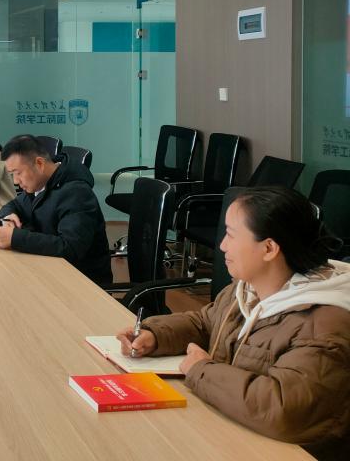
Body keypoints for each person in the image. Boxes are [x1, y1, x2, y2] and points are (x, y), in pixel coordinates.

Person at [116, 187, 349, 459]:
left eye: (231, 234)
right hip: (232, 431)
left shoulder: (324, 325)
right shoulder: (247, 288)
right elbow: (206, 323)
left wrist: (201, 371)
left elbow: (283, 409)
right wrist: (155, 335)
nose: (222, 245)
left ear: (269, 248)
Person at [0, 134, 112, 285]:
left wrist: (15, 238)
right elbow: (14, 205)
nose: (15, 181)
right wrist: (8, 216)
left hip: (81, 282)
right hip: (49, 268)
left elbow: (70, 248)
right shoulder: (40, 183)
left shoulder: (77, 193)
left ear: (39, 164)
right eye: (12, 174)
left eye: (18, 173)